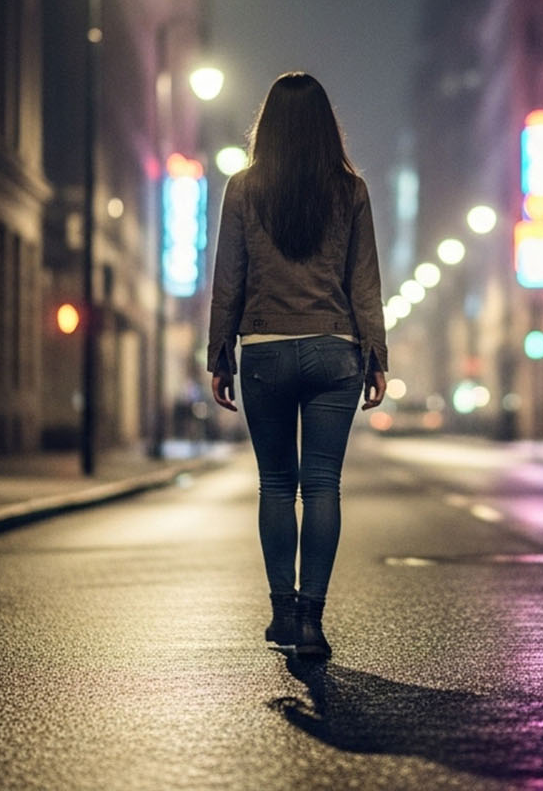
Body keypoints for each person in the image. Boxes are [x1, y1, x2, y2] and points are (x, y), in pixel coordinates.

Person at [207, 72, 388, 659]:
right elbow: (364, 280)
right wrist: (375, 354)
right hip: (335, 350)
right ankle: (312, 620)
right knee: (324, 486)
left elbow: (229, 277)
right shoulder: (350, 189)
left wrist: (220, 353)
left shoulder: (243, 187)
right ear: (324, 127)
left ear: (269, 126)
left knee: (277, 486)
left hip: (264, 351)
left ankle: (282, 613)